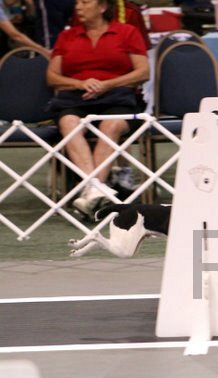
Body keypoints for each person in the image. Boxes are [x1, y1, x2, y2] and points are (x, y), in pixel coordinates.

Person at [46, 0, 149, 218]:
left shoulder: (127, 32)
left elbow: (143, 72)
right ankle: (95, 190)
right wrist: (79, 83)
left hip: (118, 97)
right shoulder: (67, 36)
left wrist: (107, 84)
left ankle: (92, 190)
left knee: (110, 125)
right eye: (77, 3)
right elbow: (52, 77)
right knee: (68, 122)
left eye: (85, 2)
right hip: (75, 99)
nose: (78, 7)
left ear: (102, 7)